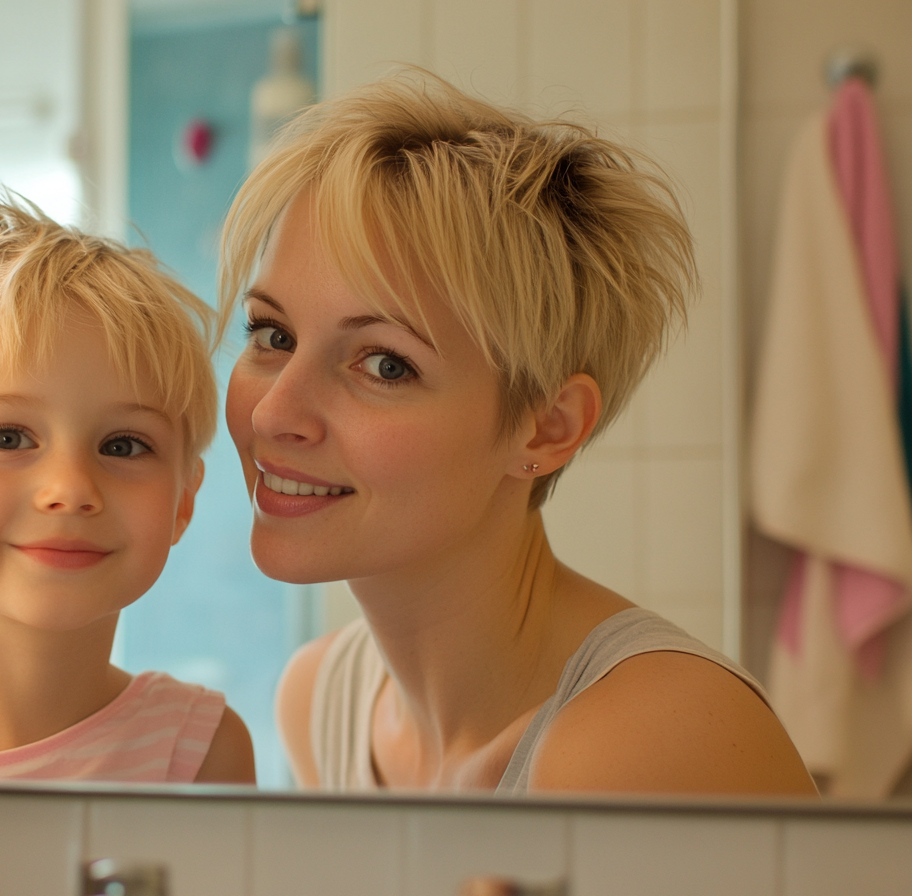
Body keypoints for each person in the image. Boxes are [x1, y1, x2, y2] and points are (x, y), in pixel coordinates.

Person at [219, 72, 815, 795]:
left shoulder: (648, 741)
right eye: (271, 333)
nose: (273, 414)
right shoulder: (318, 700)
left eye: (384, 364)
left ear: (547, 428)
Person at [0, 191, 254, 784]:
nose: (71, 489)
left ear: (184, 500)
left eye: (123, 446)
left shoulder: (199, 752)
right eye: (8, 438)